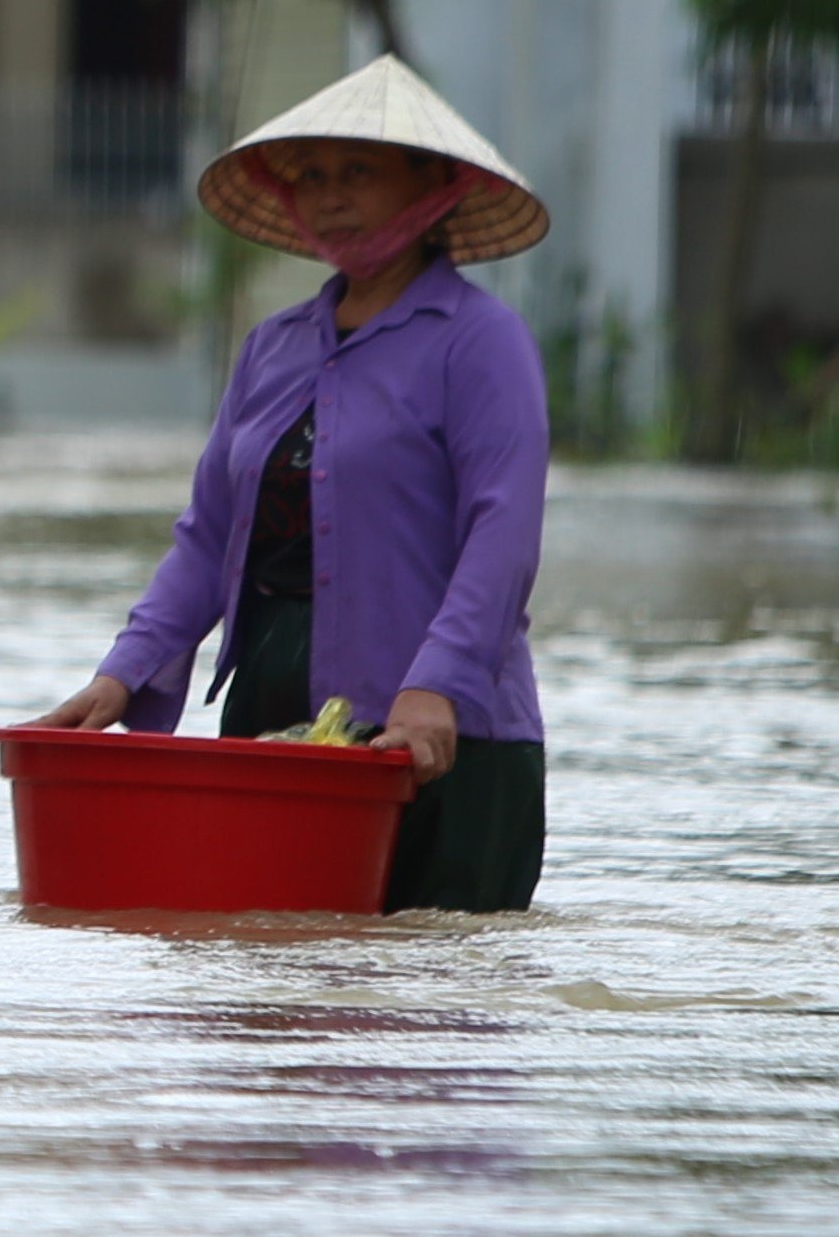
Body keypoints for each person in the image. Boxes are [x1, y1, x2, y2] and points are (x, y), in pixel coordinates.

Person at [27, 56, 555, 913]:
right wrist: (120, 674)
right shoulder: (273, 347)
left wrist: (436, 688)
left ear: (434, 188)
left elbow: (502, 535)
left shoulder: (479, 343)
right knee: (276, 991)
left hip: (443, 735)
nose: (327, 196)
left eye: (357, 173)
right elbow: (206, 536)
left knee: (434, 1004)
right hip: (275, 724)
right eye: (308, 176)